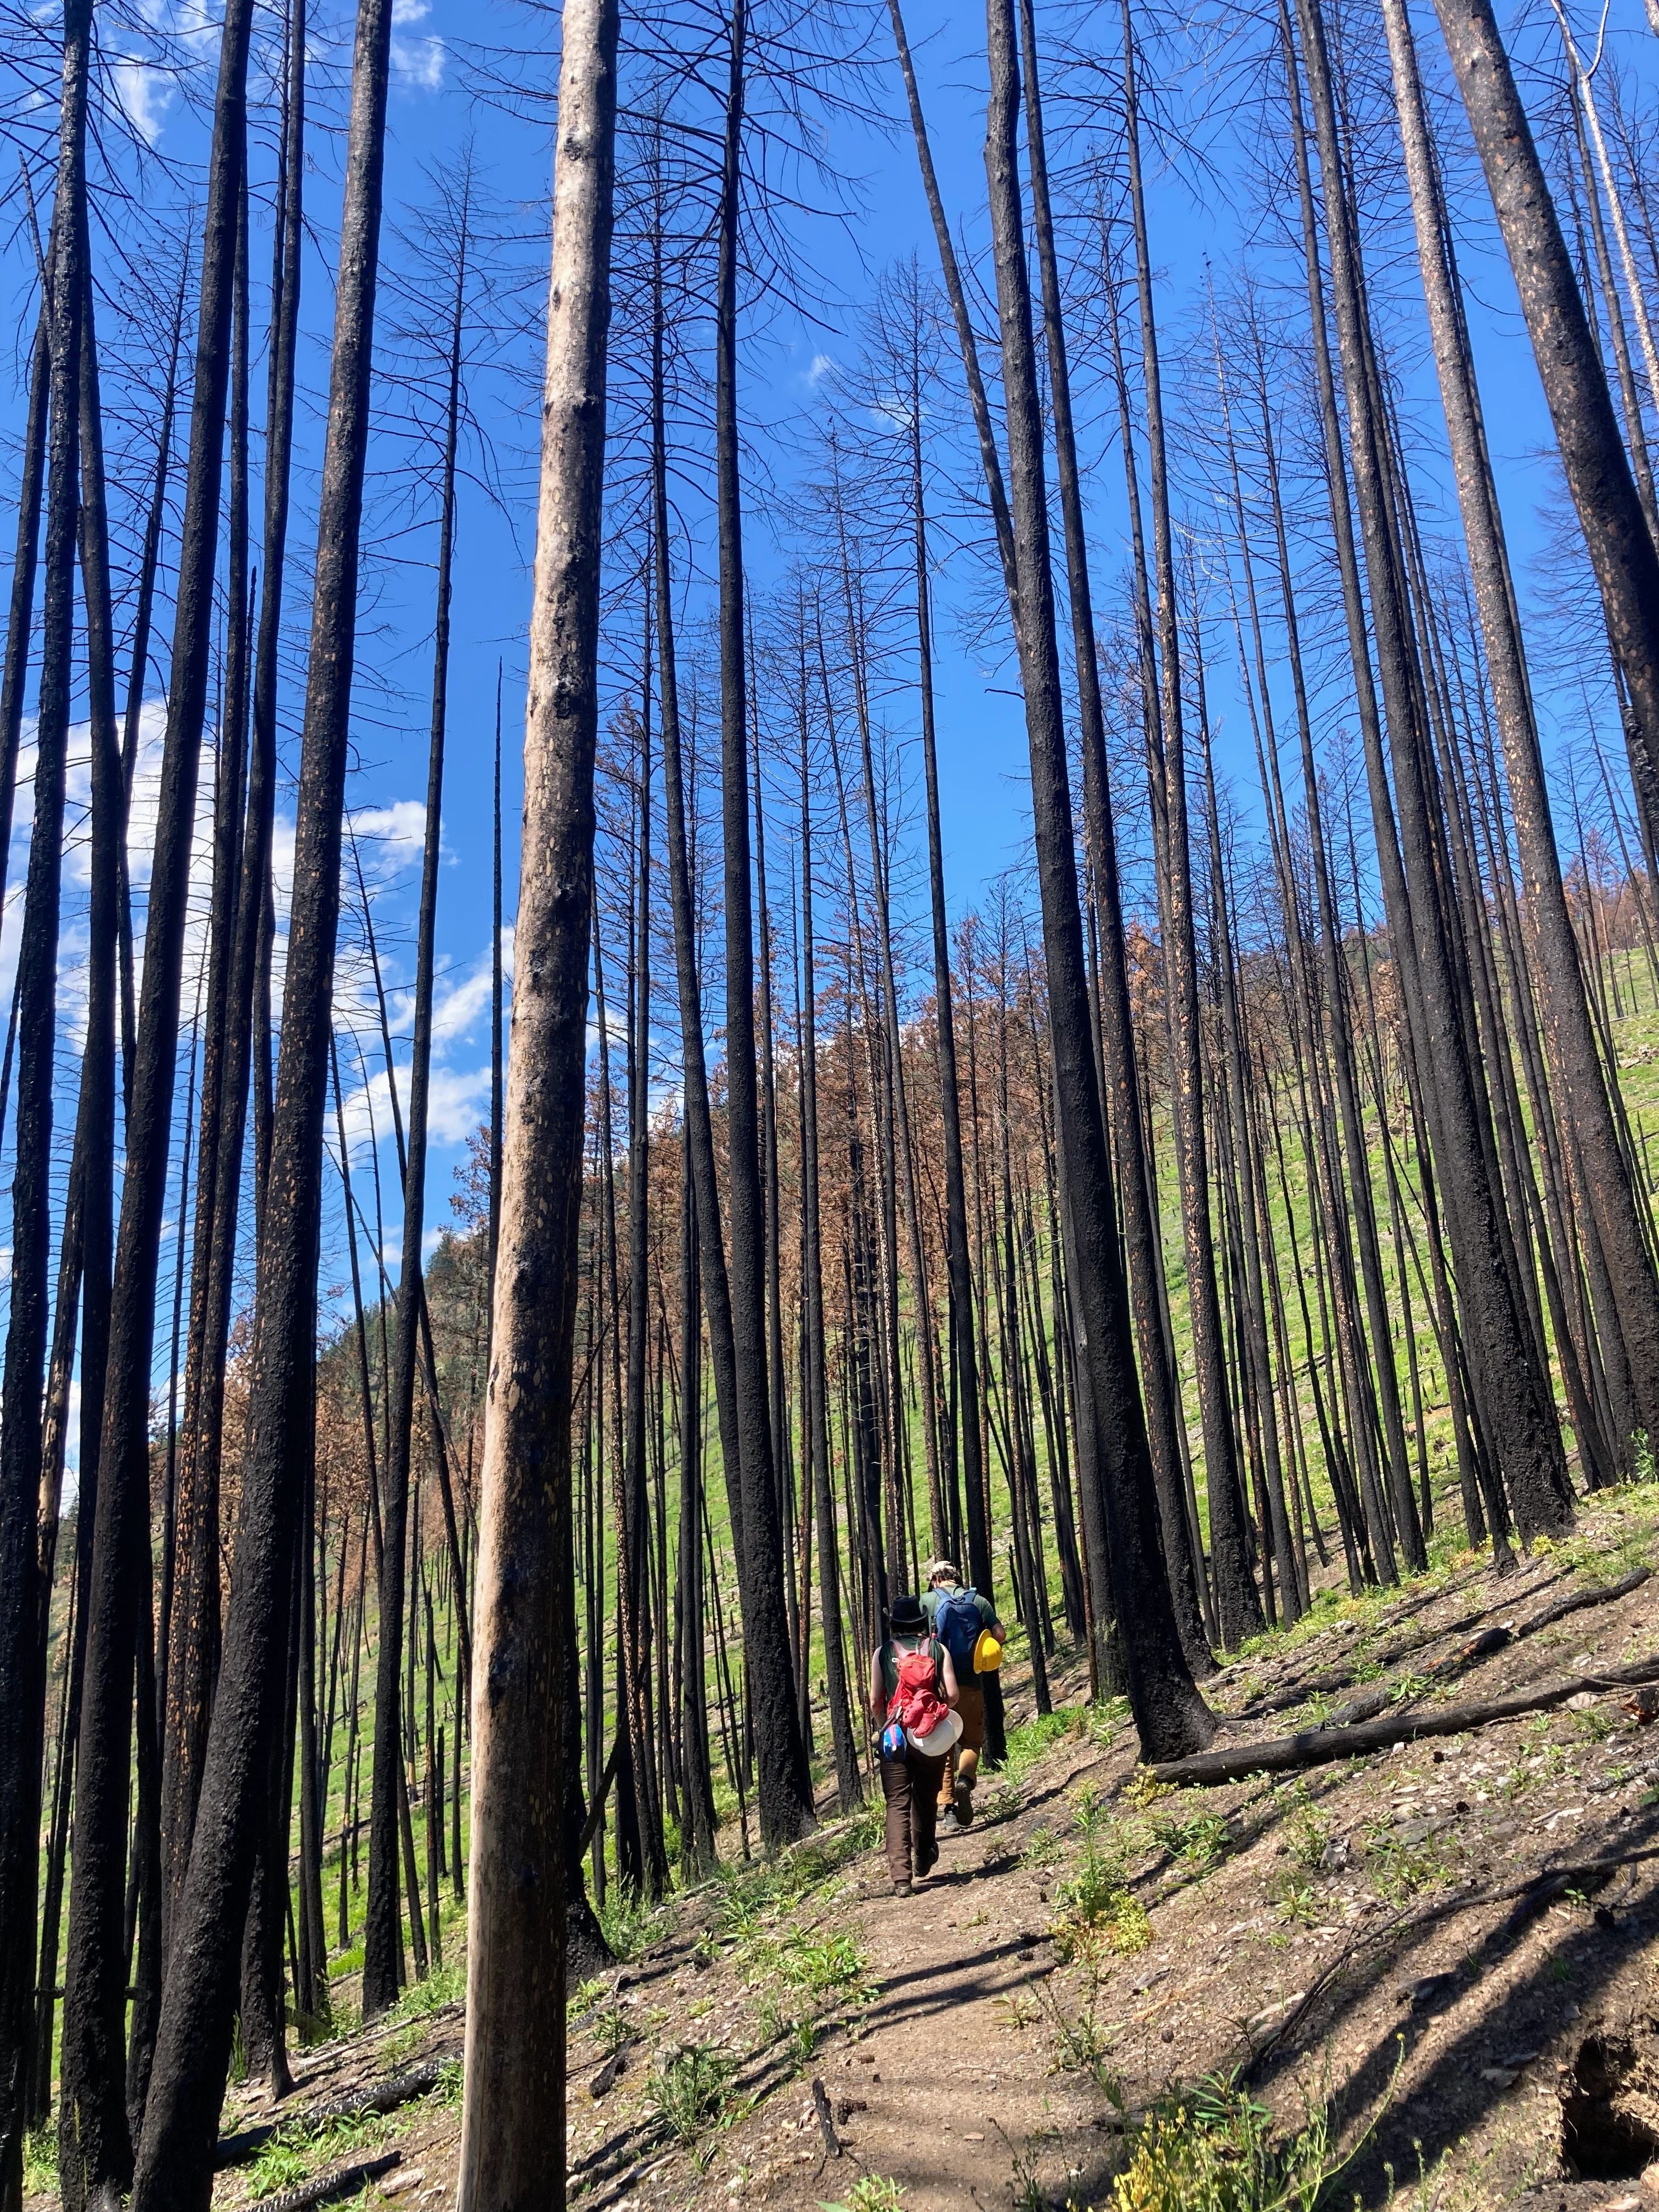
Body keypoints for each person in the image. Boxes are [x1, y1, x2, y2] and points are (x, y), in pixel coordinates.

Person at [868, 1594, 961, 1896]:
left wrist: (886, 1722)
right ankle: (923, 1856)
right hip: (929, 1732)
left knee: (897, 1803)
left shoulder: (882, 1653)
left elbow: (874, 1701)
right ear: (920, 1621)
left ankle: (901, 1878)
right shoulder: (938, 1649)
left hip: (894, 1734)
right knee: (926, 1795)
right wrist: (935, 1710)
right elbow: (953, 1694)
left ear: (893, 1624)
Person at [921, 1560, 1005, 1832]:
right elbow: (1000, 1634)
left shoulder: (927, 1601)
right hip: (971, 1682)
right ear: (957, 1578)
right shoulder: (978, 1601)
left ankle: (948, 1809)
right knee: (971, 1741)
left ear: (935, 1580)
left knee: (944, 1745)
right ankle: (966, 1781)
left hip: (939, 1687)